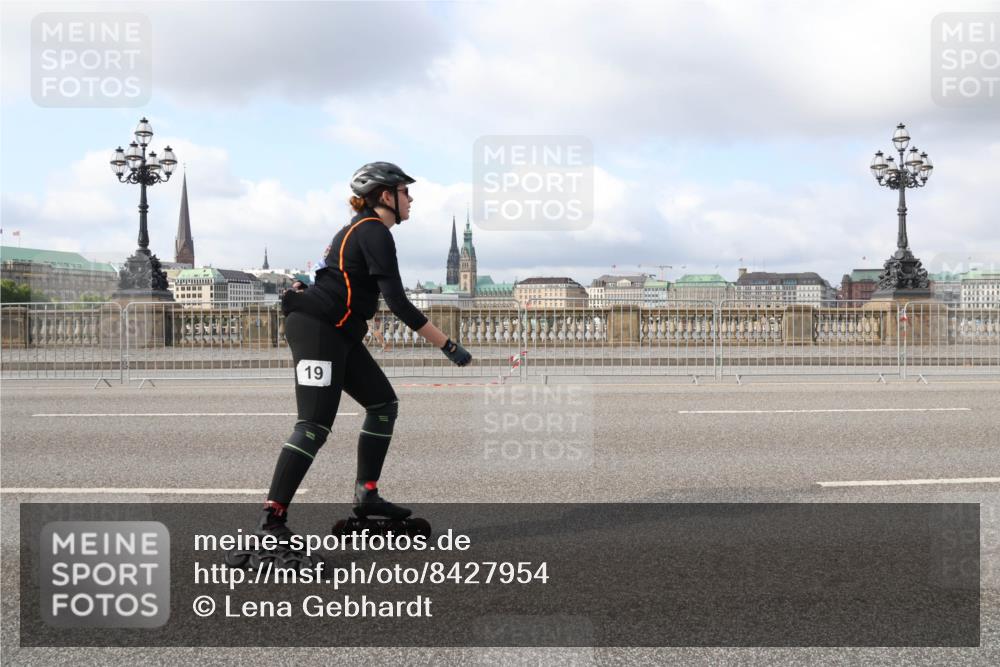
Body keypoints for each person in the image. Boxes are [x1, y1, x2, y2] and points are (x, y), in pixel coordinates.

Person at [259, 161, 471, 540]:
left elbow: (353, 289)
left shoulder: (363, 230)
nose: (411, 198)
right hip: (318, 330)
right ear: (386, 196)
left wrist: (366, 323)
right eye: (406, 191)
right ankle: (272, 522)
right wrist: (449, 345)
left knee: (382, 404)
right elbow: (400, 303)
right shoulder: (373, 230)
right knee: (313, 424)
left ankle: (366, 494)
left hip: (338, 330)